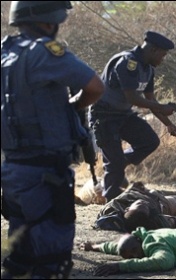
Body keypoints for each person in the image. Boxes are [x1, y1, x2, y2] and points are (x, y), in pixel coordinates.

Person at [1, 1, 104, 279]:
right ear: (48, 22)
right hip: (46, 174)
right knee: (51, 262)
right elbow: (95, 86)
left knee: (21, 259)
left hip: (13, 171)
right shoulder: (45, 52)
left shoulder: (5, 53)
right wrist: (76, 106)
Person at [89, 31, 176, 202]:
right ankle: (111, 204)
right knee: (114, 165)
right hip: (104, 117)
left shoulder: (148, 70)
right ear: (153, 50)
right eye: (163, 54)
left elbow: (150, 100)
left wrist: (168, 124)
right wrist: (162, 107)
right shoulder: (127, 62)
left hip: (123, 115)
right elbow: (132, 98)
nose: (163, 58)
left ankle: (118, 165)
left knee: (149, 141)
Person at [93, 176, 176, 232]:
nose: (143, 203)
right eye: (145, 207)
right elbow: (171, 221)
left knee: (153, 191)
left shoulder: (111, 208)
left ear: (127, 209)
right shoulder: (154, 219)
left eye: (140, 204)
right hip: (160, 203)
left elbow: (100, 222)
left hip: (139, 191)